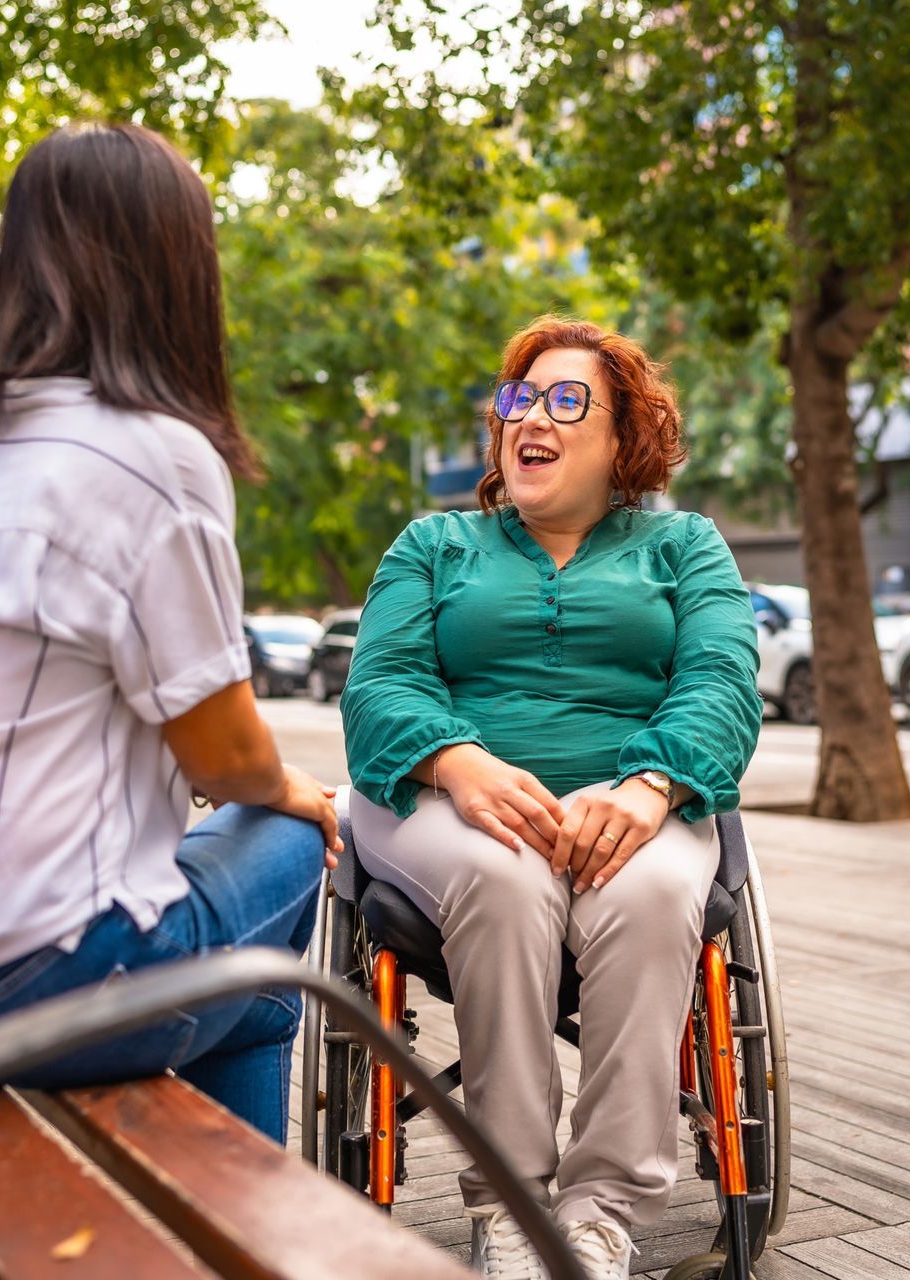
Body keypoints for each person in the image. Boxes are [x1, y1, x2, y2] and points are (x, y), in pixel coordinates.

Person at [0, 122, 338, 1144]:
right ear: (175, 268)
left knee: (246, 986)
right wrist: (304, 796)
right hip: (44, 981)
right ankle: (246, 1227)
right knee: (291, 842)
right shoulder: (155, 455)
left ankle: (210, 1204)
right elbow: (228, 757)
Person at [341, 316, 763, 1280]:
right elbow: (380, 682)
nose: (532, 416)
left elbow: (723, 679)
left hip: (635, 805)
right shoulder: (435, 543)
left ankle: (601, 1212)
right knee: (506, 877)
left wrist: (652, 783)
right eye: (519, 399)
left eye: (566, 400)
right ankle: (515, 1207)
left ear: (624, 441)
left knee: (657, 895)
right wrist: (457, 760)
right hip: (447, 806)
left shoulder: (684, 547)